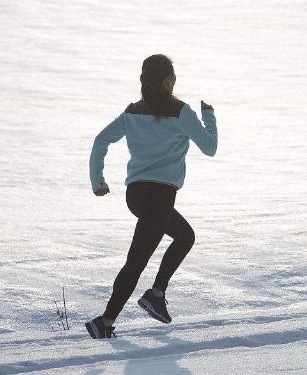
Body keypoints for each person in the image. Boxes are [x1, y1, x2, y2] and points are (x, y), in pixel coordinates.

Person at [85, 54, 217, 339]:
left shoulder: (133, 112)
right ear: (168, 80)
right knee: (137, 260)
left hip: (136, 195)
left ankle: (156, 294)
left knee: (185, 236)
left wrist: (98, 181)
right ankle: (104, 322)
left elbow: (100, 141)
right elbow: (209, 147)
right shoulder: (181, 112)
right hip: (159, 197)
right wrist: (208, 115)